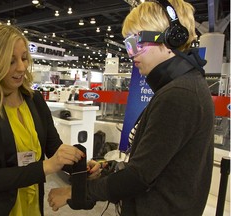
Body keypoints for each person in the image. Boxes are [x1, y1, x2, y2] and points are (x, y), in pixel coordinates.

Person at [48, 0, 215, 215]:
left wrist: (75, 192)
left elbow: (138, 177)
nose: (131, 53)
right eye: (128, 45)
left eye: (136, 43)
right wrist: (109, 169)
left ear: (171, 39)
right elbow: (156, 162)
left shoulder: (179, 94)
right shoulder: (183, 87)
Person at [0, 22, 101, 216]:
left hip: (32, 204)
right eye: (11, 61)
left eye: (24, 58)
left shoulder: (34, 99)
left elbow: (54, 147)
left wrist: (79, 164)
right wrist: (47, 165)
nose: (21, 67)